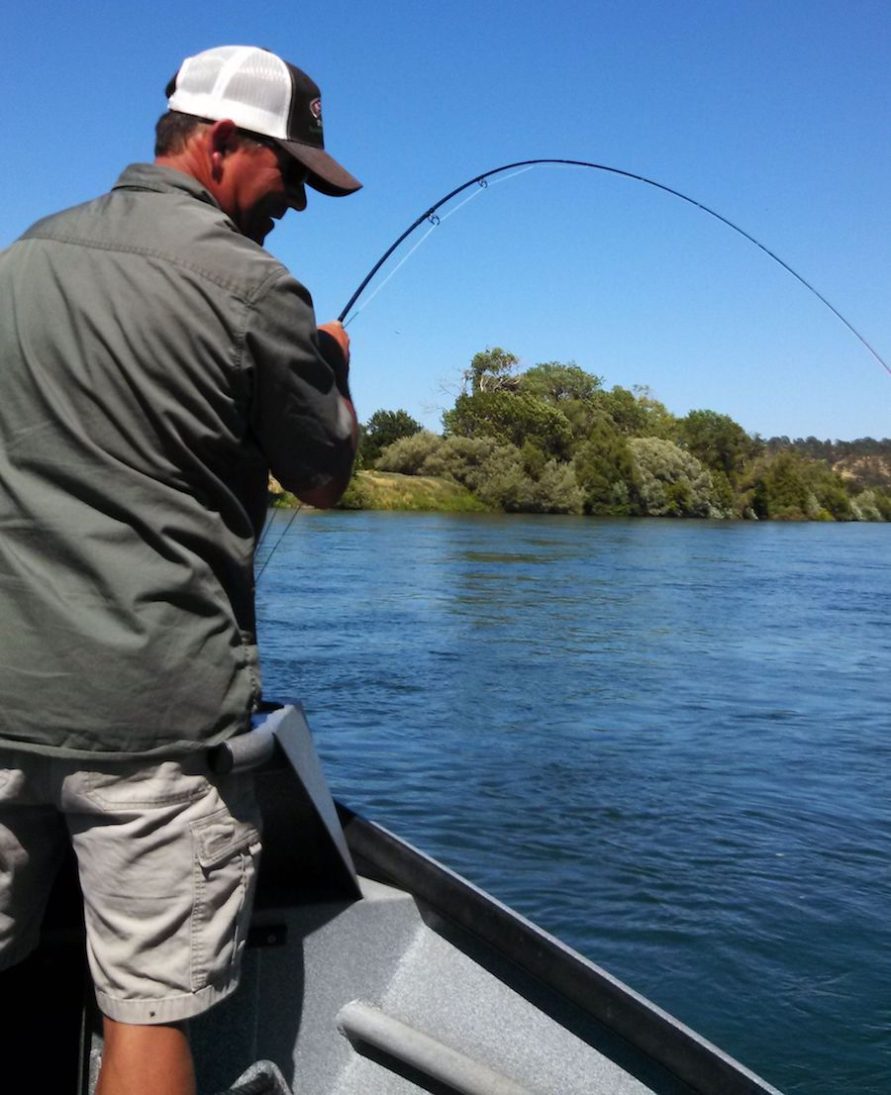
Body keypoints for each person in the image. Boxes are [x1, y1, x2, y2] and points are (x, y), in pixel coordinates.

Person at [0, 44, 360, 1094]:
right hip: (153, 722)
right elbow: (325, 474)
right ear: (218, 142)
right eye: (289, 169)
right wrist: (331, 372)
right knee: (147, 1014)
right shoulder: (256, 288)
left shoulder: (20, 257)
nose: (298, 197)